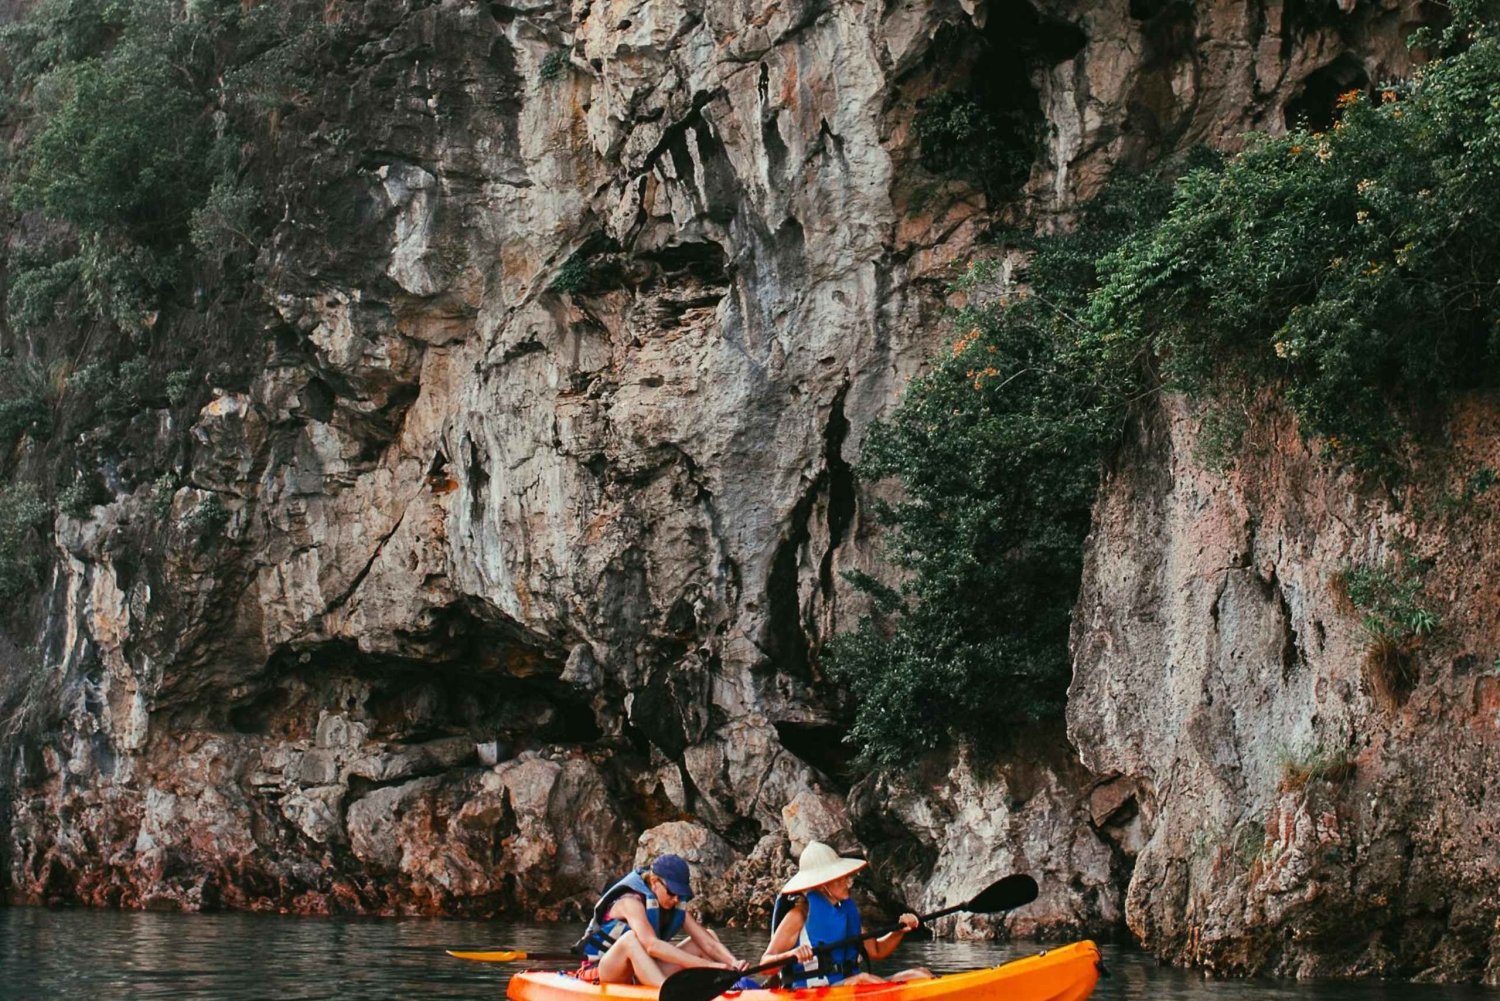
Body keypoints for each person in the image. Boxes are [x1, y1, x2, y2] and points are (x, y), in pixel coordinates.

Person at [760, 842, 932, 987]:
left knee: (920, 974)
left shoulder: (846, 912)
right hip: (812, 991)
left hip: (846, 985)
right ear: (822, 884)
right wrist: (791, 955)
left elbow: (877, 950)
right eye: (839, 878)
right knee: (863, 979)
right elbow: (765, 964)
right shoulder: (798, 916)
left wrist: (899, 931)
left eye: (846, 877)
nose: (847, 883)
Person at [577, 854, 745, 986]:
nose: (676, 899)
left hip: (641, 971)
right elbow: (651, 945)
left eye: (681, 894)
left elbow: (709, 944)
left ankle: (727, 986)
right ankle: (666, 991)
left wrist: (733, 962)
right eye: (672, 892)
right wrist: (705, 965)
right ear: (654, 882)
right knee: (630, 940)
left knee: (707, 935)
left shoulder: (674, 905)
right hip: (601, 971)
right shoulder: (630, 902)